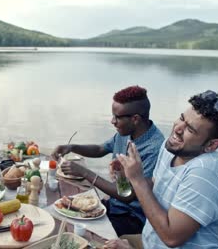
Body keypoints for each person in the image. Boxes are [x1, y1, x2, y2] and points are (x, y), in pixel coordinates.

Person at [117, 90, 218, 248]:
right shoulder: (171, 147)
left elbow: (171, 238)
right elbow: (156, 185)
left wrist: (137, 179)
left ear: (211, 145)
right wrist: (126, 175)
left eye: (190, 129)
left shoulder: (204, 174)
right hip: (149, 242)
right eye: (181, 118)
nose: (177, 129)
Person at [52, 85, 164, 236]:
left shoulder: (155, 149)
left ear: (135, 119)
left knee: (78, 234)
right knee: (60, 214)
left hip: (132, 219)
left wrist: (84, 172)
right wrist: (71, 147)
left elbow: (128, 195)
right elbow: (100, 149)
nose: (112, 121)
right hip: (113, 206)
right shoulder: (125, 132)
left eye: (117, 117)